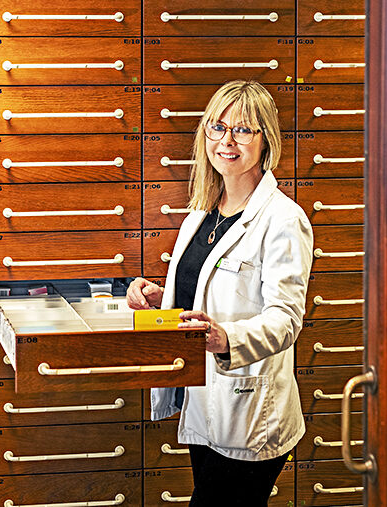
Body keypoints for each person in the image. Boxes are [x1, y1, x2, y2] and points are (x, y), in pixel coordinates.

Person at [126, 80, 313, 506]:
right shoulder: (200, 213)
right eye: (218, 127)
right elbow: (209, 292)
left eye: (244, 130)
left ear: (266, 141)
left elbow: (285, 318)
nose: (227, 141)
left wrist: (227, 338)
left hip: (249, 404)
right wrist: (164, 296)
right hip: (204, 396)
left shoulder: (283, 219)